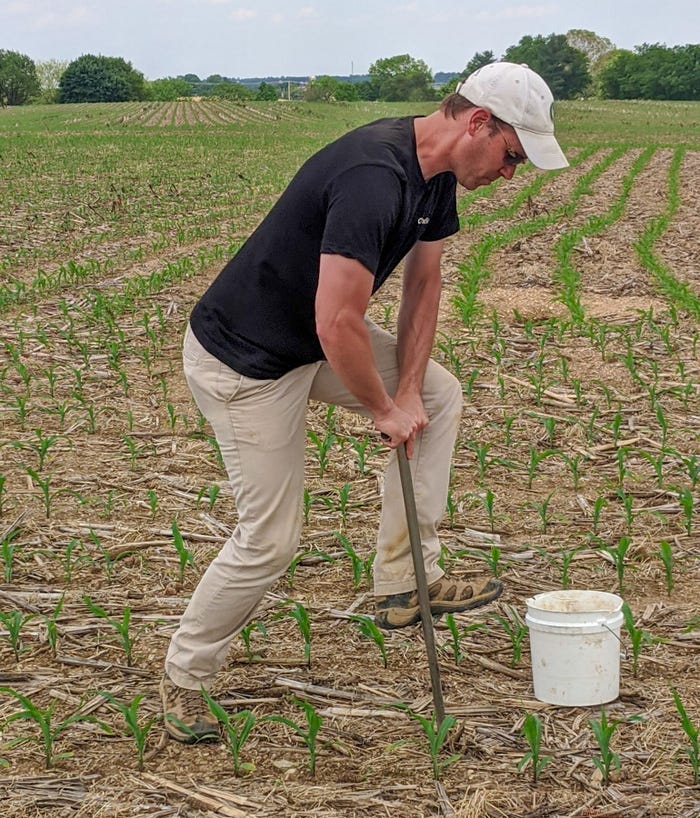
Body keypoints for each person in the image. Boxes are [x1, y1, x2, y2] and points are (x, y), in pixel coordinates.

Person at [161, 61, 568, 742]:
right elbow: (338, 322)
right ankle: (185, 677)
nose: (509, 175)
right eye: (511, 156)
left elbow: (424, 286)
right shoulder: (372, 177)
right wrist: (383, 408)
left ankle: (407, 579)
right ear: (478, 122)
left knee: (440, 392)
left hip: (306, 345)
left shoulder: (437, 176)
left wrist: (408, 390)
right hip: (246, 362)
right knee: (270, 539)